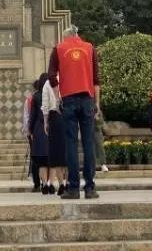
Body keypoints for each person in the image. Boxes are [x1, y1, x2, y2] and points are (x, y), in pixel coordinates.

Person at [48, 24, 100, 200]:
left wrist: (57, 97)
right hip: (88, 99)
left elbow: (51, 76)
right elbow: (96, 79)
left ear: (65, 36)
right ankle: (90, 188)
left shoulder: (59, 48)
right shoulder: (89, 48)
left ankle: (74, 188)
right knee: (88, 144)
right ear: (78, 35)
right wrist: (97, 103)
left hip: (68, 100)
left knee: (71, 144)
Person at [41, 73, 67, 195]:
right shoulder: (68, 78)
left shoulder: (47, 83)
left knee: (56, 153)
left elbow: (45, 105)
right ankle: (68, 183)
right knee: (68, 150)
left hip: (54, 117)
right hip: (67, 115)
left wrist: (45, 122)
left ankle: (62, 183)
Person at [22, 89, 41, 191]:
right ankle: (44, 182)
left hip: (33, 131)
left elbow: (27, 117)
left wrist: (28, 131)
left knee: (35, 158)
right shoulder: (44, 97)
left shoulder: (30, 99)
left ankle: (37, 183)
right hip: (44, 132)